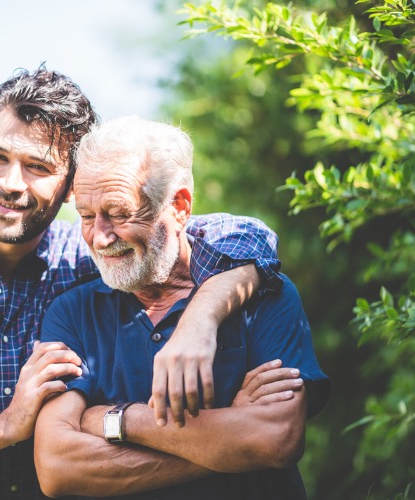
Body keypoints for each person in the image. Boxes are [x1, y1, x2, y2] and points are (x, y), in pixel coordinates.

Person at [0, 67, 283, 499]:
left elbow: (243, 237)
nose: (9, 182)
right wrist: (3, 426)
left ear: (71, 186)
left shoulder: (96, 259)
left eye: (37, 167)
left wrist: (200, 320)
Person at [34, 116, 331, 499]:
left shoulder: (262, 294)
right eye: (87, 217)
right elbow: (57, 468)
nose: (101, 237)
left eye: (120, 213)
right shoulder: (71, 314)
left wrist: (117, 419)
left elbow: (276, 439)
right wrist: (227, 440)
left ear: (178, 206)